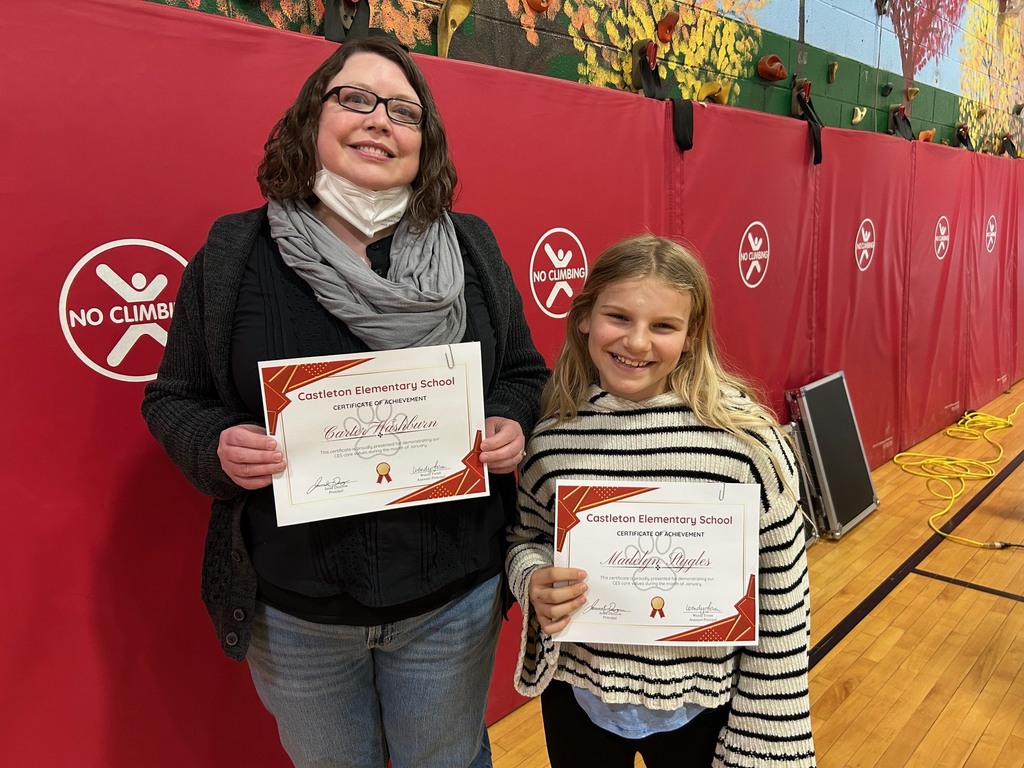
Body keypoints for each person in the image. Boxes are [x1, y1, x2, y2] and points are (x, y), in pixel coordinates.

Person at [142, 36, 547, 768]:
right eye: (354, 99)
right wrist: (218, 449)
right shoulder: (237, 254)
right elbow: (175, 400)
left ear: (425, 143)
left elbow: (523, 372)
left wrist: (511, 421)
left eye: (402, 110)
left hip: (450, 601)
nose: (378, 121)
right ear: (311, 118)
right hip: (298, 615)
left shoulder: (471, 249)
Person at [506, 234, 815, 767]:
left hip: (703, 712)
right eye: (619, 318)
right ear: (584, 318)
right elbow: (526, 539)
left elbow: (783, 602)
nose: (638, 343)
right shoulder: (552, 437)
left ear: (692, 335)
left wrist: (768, 740)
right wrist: (531, 578)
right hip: (578, 697)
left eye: (664, 326)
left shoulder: (746, 446)